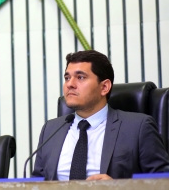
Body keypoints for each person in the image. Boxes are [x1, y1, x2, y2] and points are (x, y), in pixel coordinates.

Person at [32, 50, 169, 180]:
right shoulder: (50, 130)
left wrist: (119, 188)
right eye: (67, 77)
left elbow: (163, 182)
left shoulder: (138, 127)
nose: (70, 84)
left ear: (104, 87)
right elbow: (36, 183)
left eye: (80, 77)